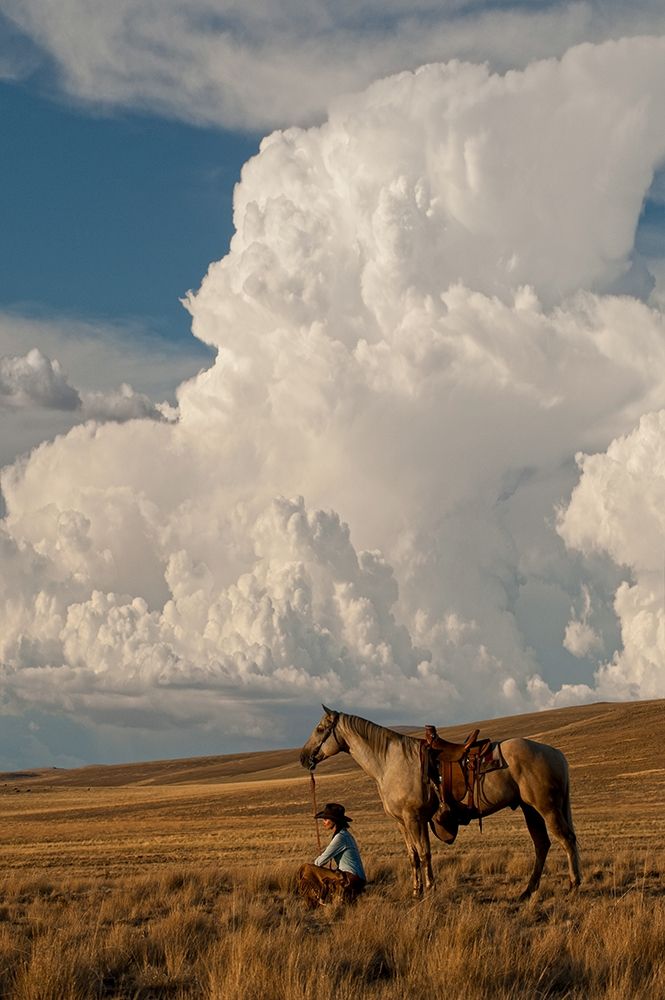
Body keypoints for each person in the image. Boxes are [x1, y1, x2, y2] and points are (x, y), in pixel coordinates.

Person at [297, 802, 366, 908]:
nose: (323, 822)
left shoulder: (340, 838)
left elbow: (319, 862)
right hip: (356, 879)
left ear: (334, 821)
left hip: (351, 879)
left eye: (326, 819)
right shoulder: (345, 834)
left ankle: (313, 900)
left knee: (307, 868)